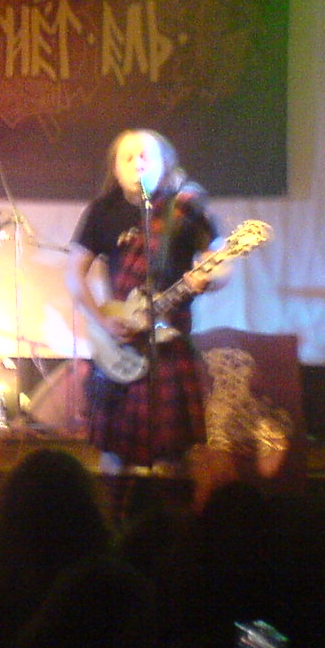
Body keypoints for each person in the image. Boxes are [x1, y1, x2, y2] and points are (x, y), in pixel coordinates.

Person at [65, 129, 219, 477]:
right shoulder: (102, 211)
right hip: (122, 344)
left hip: (170, 343)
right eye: (128, 157)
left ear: (165, 163)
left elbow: (221, 267)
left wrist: (209, 279)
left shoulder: (187, 208)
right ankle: (114, 510)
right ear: (116, 169)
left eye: (145, 156)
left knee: (173, 458)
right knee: (114, 454)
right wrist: (101, 321)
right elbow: (74, 275)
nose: (137, 163)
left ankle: (173, 512)